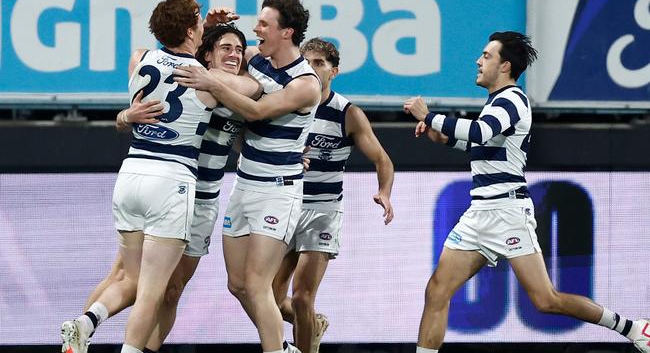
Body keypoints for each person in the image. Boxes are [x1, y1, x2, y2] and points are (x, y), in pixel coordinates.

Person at [403, 31, 650, 353]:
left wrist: (430, 116)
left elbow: (480, 131)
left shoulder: (513, 100)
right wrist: (442, 137)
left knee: (546, 301)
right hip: (479, 214)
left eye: (487, 56)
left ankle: (633, 327)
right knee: (436, 292)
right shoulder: (495, 103)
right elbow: (480, 143)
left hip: (508, 213)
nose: (478, 61)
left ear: (505, 66)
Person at [59, 0, 251, 353]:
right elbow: (252, 89)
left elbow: (168, 52)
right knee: (151, 290)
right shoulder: (209, 80)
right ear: (193, 30)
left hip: (131, 173)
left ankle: (86, 322)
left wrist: (125, 116)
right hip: (172, 181)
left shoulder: (139, 57)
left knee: (129, 278)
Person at [174, 0, 321, 353]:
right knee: (237, 284)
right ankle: (285, 348)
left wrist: (214, 84)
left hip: (277, 190)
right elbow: (205, 63)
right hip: (244, 185)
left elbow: (256, 111)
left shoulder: (305, 83)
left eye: (264, 24)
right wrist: (207, 29)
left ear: (286, 33)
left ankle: (276, 349)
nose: (256, 30)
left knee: (257, 285)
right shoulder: (257, 60)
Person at [269, 37, 395, 353]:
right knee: (268, 296)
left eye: (319, 63)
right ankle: (312, 324)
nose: (311, 69)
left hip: (323, 211)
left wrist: (384, 192)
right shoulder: (286, 102)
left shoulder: (346, 113)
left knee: (301, 297)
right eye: (306, 62)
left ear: (333, 71)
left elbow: (382, 159)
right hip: (286, 205)